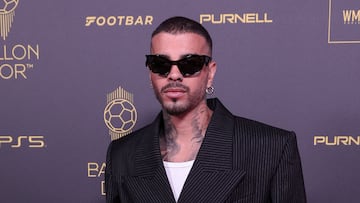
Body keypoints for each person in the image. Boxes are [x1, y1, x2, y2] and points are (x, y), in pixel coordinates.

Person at [105, 16, 307, 203]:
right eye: (161, 64)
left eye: (189, 64)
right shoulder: (123, 154)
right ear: (151, 74)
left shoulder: (271, 148)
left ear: (210, 73)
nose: (174, 75)